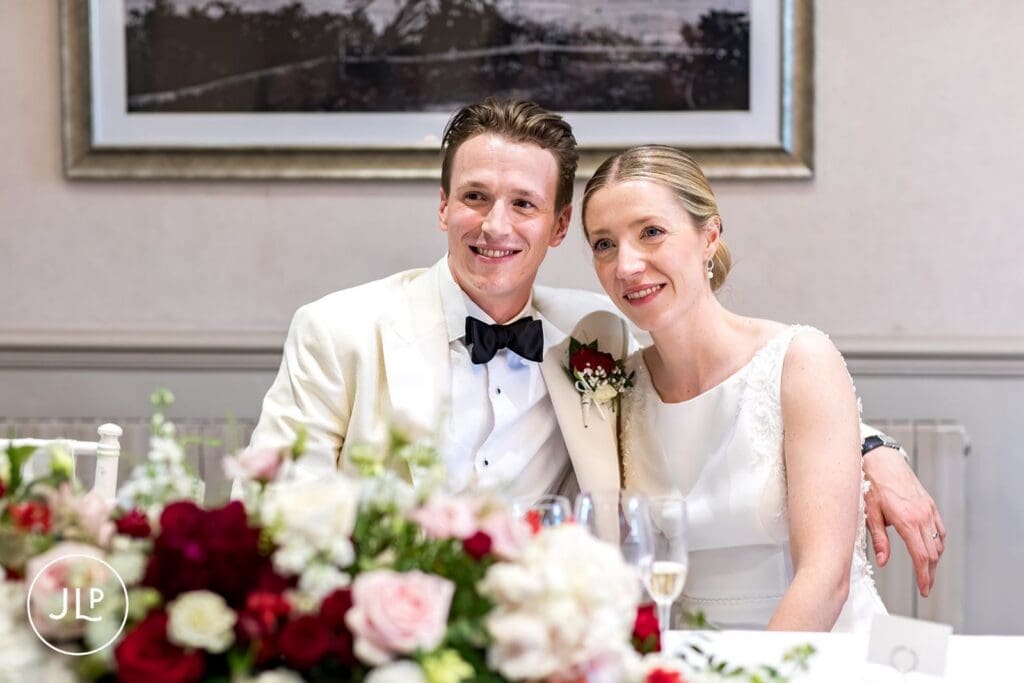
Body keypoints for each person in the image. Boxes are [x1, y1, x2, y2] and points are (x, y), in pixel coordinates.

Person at [251, 98, 943, 597]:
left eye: (523, 203)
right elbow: (269, 511)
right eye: (474, 196)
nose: (495, 224)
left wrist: (873, 450)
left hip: (544, 642)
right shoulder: (340, 328)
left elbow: (750, 371)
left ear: (555, 229)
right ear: (442, 207)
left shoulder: (597, 330)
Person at [580, 144, 905, 630]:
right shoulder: (619, 386)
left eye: (651, 233)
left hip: (812, 649)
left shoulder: (799, 358)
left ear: (709, 235)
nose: (626, 265)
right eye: (604, 244)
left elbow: (826, 578)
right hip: (692, 656)